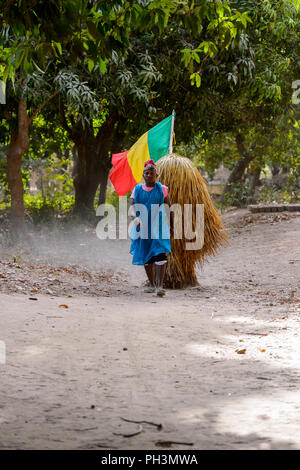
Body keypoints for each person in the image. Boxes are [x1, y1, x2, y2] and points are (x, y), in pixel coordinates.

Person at [129, 160, 172, 297]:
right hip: (142, 226)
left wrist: (172, 225)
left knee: (160, 253)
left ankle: (160, 286)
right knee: (146, 255)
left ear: (156, 175)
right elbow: (132, 208)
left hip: (159, 226)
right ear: (143, 175)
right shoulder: (136, 190)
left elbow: (169, 208)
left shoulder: (162, 189)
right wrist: (135, 218)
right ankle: (152, 284)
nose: (149, 175)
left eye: (152, 173)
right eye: (146, 173)